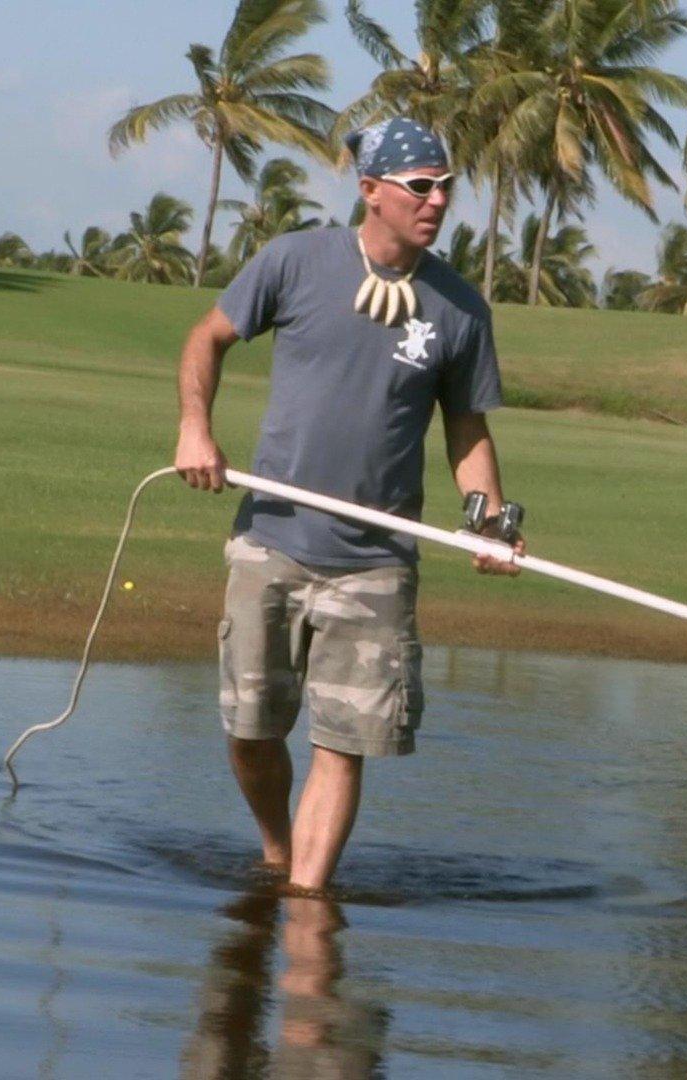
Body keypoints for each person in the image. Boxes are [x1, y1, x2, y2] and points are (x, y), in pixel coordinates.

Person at [171, 117, 520, 893]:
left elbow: (467, 430)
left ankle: (304, 898)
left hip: (375, 564)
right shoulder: (294, 260)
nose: (438, 201)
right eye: (420, 187)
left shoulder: (461, 309)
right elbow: (206, 338)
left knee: (342, 745)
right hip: (272, 539)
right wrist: (196, 428)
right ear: (371, 191)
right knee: (251, 732)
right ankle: (277, 852)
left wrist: (491, 523)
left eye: (446, 187)